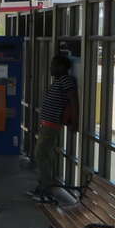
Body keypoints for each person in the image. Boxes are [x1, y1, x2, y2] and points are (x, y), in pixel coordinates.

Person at [30, 55, 79, 202]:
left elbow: (73, 101)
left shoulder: (66, 81)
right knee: (45, 155)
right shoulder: (59, 81)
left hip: (52, 125)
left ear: (62, 67)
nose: (51, 68)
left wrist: (75, 121)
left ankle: (46, 188)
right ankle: (43, 185)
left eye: (53, 65)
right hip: (47, 124)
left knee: (40, 154)